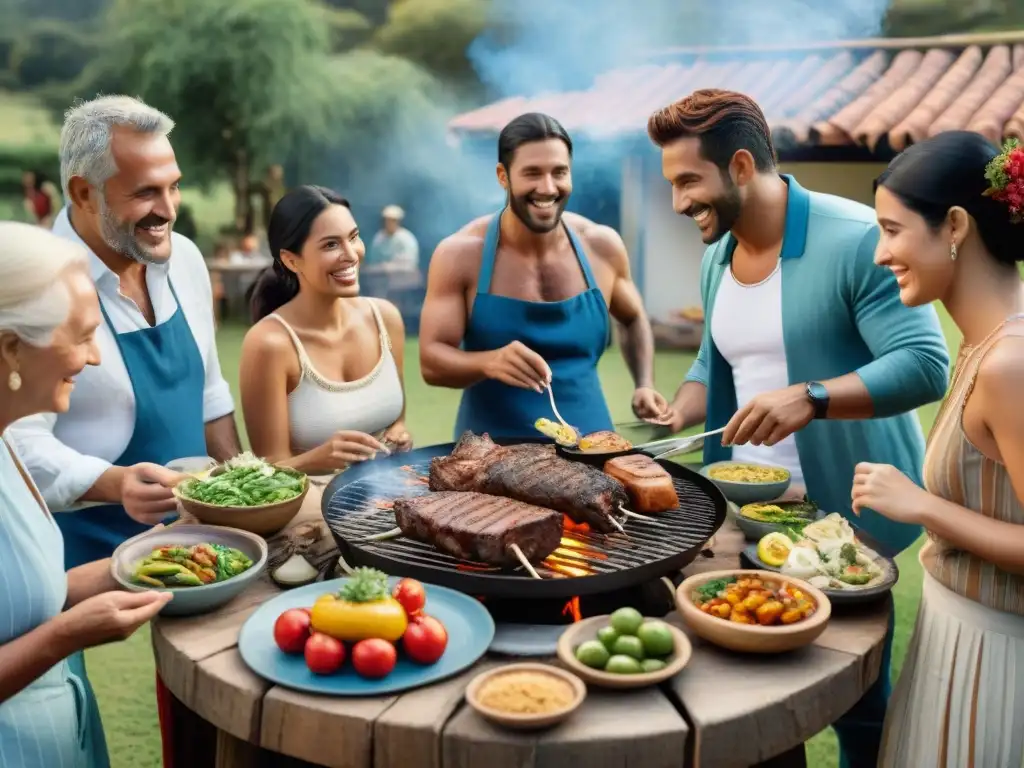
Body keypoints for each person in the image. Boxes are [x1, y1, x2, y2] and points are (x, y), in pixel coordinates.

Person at [644, 89, 950, 767]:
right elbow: (716, 357)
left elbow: (928, 365)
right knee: (752, 705)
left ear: (743, 165)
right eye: (671, 183)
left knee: (860, 709)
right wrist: (681, 406)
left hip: (846, 515)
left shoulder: (856, 238)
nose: (677, 202)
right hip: (743, 515)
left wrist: (811, 397)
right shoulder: (715, 256)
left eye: (689, 180)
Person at [7, 94, 242, 768]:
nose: (167, 207)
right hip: (71, 541)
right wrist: (112, 484)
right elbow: (16, 440)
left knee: (202, 690)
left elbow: (210, 391)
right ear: (83, 191)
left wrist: (244, 493)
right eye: (145, 191)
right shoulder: (41, 282)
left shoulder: (185, 259)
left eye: (172, 185)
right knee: (51, 696)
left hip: (187, 527)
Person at [852, 131, 1024, 767]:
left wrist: (921, 505)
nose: (880, 254)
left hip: (994, 657)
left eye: (892, 230)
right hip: (955, 636)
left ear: (954, 225)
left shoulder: (1010, 365)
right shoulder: (984, 343)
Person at [0, 222, 172, 768]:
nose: (94, 357)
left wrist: (144, 560)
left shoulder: (8, 443)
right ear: (11, 349)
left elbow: (24, 599)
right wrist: (67, 636)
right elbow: (44, 628)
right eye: (80, 336)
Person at [420, 112, 667, 439]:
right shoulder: (461, 254)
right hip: (488, 456)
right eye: (532, 173)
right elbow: (431, 360)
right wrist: (488, 362)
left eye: (559, 172)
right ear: (503, 176)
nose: (548, 188)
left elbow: (634, 319)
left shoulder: (601, 246)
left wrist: (644, 384)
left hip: (592, 446)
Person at [241, 185, 410, 473]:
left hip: (388, 501)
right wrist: (319, 458)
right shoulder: (270, 344)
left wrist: (399, 433)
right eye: (331, 244)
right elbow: (267, 473)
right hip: (311, 512)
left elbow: (397, 420)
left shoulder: (386, 318)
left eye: (353, 237)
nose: (351, 254)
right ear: (291, 260)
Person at [368, 205, 420, 273]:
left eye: (393, 220)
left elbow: (410, 265)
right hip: (381, 277)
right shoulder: (379, 238)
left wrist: (389, 267)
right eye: (387, 220)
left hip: (404, 278)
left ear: (398, 221)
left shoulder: (407, 239)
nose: (389, 223)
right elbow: (373, 261)